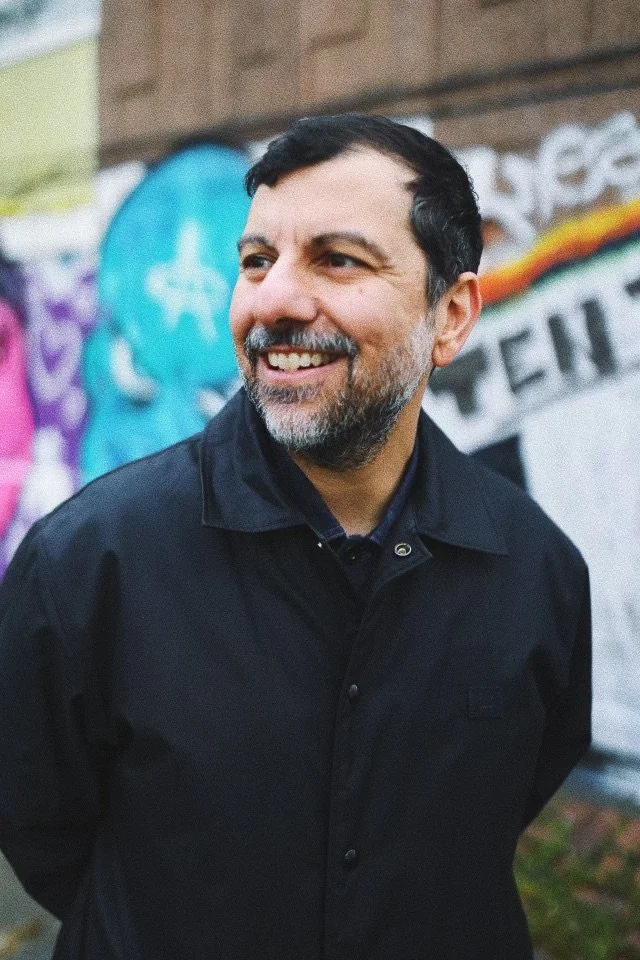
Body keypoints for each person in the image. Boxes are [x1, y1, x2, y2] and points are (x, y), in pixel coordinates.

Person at [0, 114, 591, 960]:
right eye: (255, 262)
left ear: (451, 314)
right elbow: (40, 822)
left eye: (337, 258)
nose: (272, 299)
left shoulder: (536, 572)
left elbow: (512, 796)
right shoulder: (93, 562)